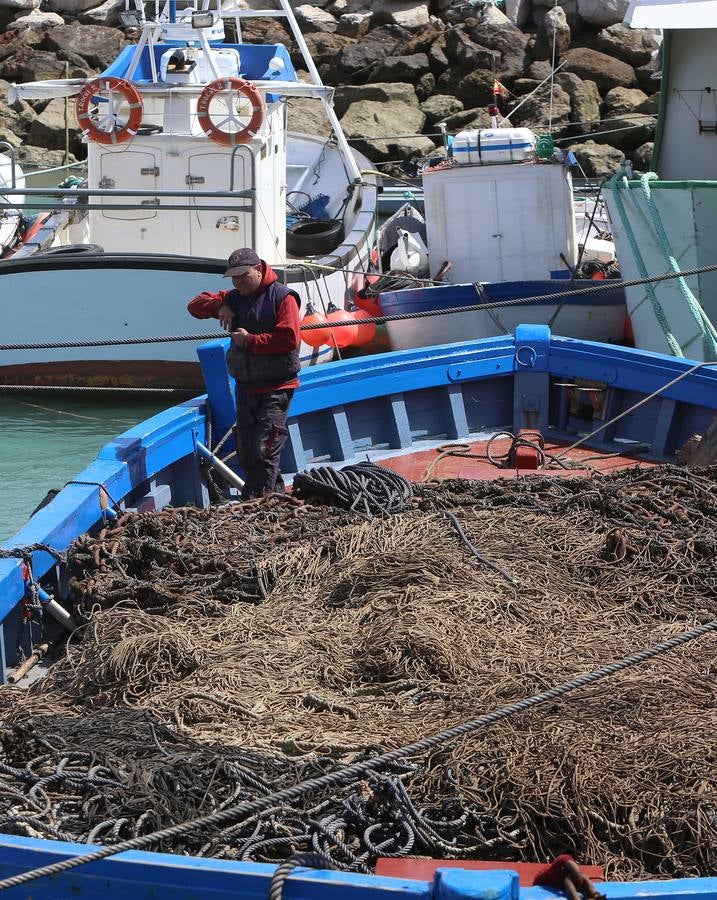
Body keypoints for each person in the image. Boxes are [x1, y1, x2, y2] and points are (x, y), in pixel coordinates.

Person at [188, 247, 301, 500]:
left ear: (259, 270)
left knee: (266, 448)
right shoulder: (234, 297)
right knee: (248, 452)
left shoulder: (283, 298)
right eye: (234, 278)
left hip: (277, 387)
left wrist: (251, 341)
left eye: (243, 275)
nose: (238, 282)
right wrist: (220, 306)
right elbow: (194, 306)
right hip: (246, 387)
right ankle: (273, 496)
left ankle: (259, 501)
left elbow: (289, 339)